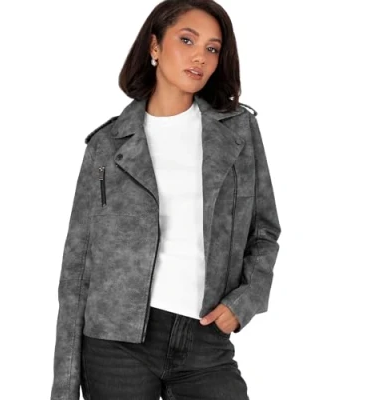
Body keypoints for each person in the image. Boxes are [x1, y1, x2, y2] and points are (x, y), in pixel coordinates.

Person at [50, 0, 281, 399]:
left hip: (205, 336)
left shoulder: (238, 130)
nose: (200, 56)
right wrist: (64, 388)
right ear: (154, 46)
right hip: (115, 343)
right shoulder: (107, 144)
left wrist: (246, 300)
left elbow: (263, 231)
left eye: (212, 48)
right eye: (187, 40)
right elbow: (78, 267)